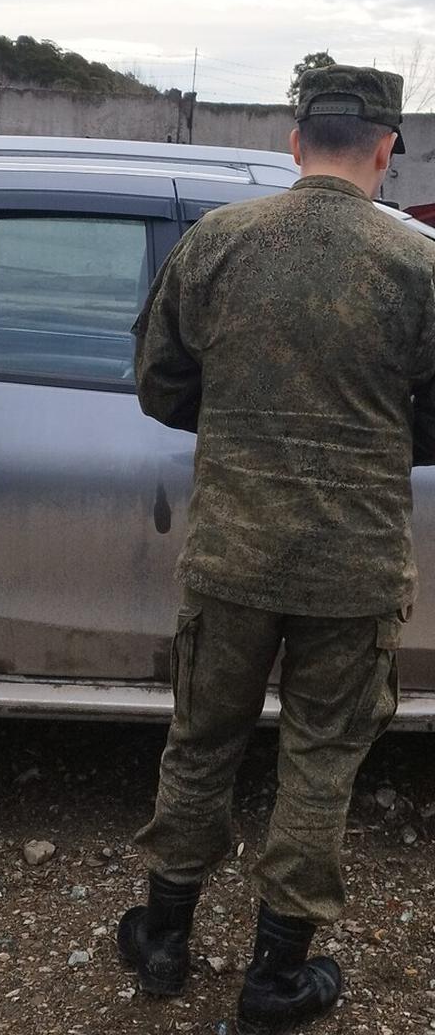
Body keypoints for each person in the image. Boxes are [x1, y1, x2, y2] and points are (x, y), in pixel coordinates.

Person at [119, 65, 435, 1033]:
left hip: (231, 556)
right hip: (351, 567)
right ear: (383, 149)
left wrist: (238, 426)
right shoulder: (416, 268)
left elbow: (156, 381)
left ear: (293, 143)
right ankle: (274, 970)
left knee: (201, 740)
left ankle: (163, 937)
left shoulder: (216, 243)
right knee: (318, 759)